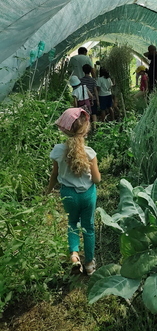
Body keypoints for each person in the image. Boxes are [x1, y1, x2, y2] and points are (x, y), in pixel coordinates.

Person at [48, 108, 101, 276]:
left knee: (72, 223)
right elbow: (97, 179)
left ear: (65, 130)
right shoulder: (90, 153)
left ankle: (74, 256)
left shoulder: (57, 151)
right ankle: (89, 264)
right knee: (89, 228)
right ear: (85, 130)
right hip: (87, 195)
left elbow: (54, 176)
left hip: (68, 195)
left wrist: (47, 190)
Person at [81, 64, 100, 130]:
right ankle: (94, 127)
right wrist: (97, 100)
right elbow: (95, 91)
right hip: (93, 99)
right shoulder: (93, 80)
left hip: (84, 100)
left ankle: (86, 128)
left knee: (86, 115)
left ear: (83, 71)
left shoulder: (81, 80)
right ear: (90, 71)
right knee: (94, 113)